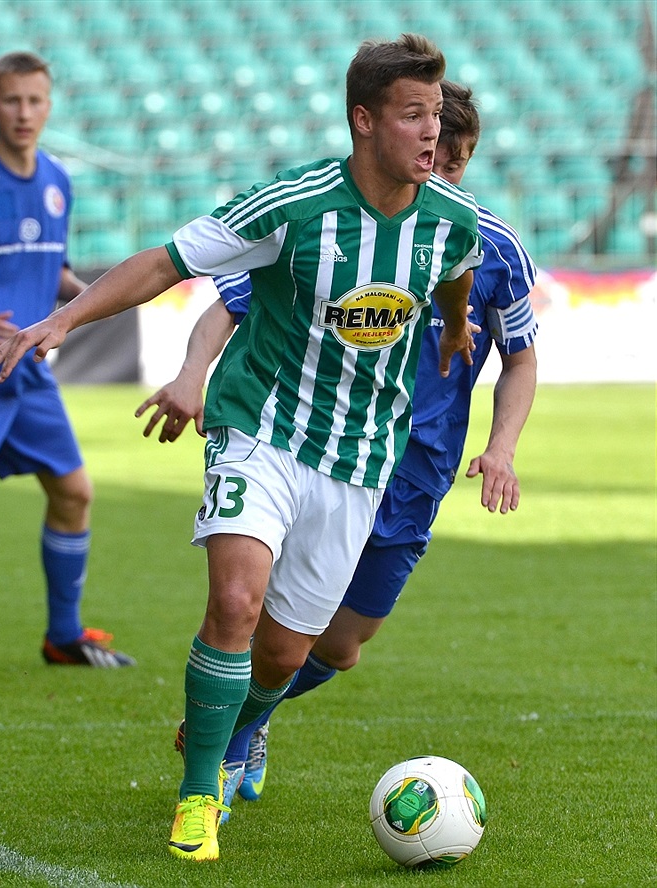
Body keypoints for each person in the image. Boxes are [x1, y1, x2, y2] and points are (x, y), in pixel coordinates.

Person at [0, 35, 483, 863]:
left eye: (435, 114)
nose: (432, 132)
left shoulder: (451, 219)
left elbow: (457, 270)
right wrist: (64, 318)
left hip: (359, 456)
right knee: (235, 604)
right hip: (262, 429)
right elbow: (164, 263)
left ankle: (232, 726)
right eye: (412, 115)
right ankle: (197, 797)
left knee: (285, 653)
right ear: (364, 120)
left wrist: (459, 328)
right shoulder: (293, 205)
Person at [149, 81, 538, 816]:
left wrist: (503, 447)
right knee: (250, 607)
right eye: (430, 152)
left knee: (341, 646)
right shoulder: (334, 222)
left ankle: (246, 720)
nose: (438, 176)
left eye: (454, 165)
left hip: (416, 470)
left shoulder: (484, 243)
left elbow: (519, 355)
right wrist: (191, 375)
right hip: (309, 439)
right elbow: (227, 303)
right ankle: (223, 750)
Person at [0, 51, 135, 668]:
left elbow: (52, 270)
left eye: (35, 101)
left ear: (49, 105)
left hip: (28, 374)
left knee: (73, 492)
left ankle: (64, 635)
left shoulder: (57, 179)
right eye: (11, 101)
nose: (24, 113)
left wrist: (91, 301)